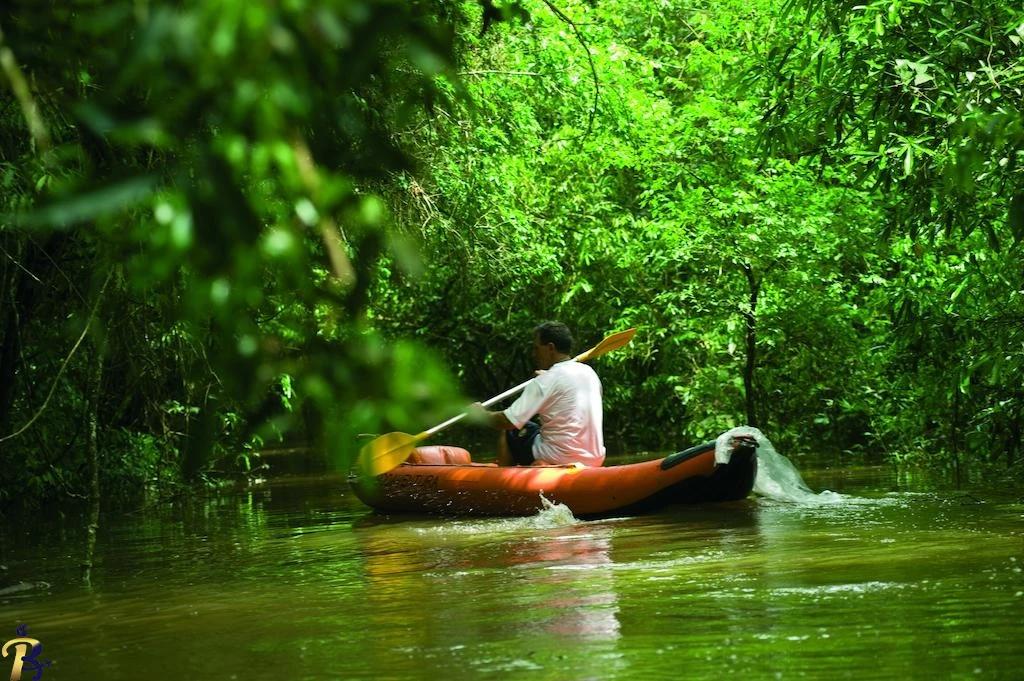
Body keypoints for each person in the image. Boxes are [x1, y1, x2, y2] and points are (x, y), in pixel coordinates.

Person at [472, 321, 605, 467]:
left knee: (510, 432)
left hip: (558, 458)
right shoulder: (589, 373)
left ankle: (502, 478)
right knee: (531, 428)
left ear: (550, 348)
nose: (533, 354)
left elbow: (508, 421)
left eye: (536, 348)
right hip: (595, 458)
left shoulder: (545, 381)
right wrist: (547, 378)